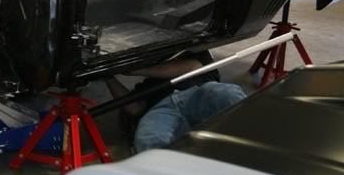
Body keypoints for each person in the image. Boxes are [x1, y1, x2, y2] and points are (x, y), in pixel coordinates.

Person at [105, 51, 246, 152]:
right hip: (162, 109)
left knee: (226, 93)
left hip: (196, 95)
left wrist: (138, 69)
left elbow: (191, 67)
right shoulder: (146, 86)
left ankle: (251, 135)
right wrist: (107, 76)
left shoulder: (194, 52)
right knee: (148, 139)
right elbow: (134, 108)